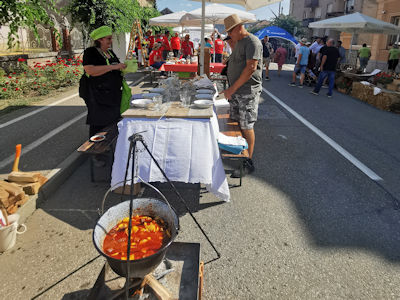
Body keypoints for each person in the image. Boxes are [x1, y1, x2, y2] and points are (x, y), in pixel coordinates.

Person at [222, 14, 262, 177]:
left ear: (238, 28)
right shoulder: (239, 42)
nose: (229, 36)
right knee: (237, 123)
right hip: (237, 91)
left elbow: (251, 68)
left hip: (247, 92)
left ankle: (248, 162)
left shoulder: (252, 41)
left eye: (230, 32)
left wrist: (231, 90)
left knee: (246, 126)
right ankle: (240, 153)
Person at [80, 25, 126, 160]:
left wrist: (123, 67)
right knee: (98, 123)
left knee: (112, 121)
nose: (110, 41)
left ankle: (109, 147)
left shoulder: (110, 53)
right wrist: (113, 67)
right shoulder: (91, 52)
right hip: (97, 94)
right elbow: (90, 70)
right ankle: (96, 153)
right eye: (108, 39)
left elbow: (115, 67)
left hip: (112, 94)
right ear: (100, 39)